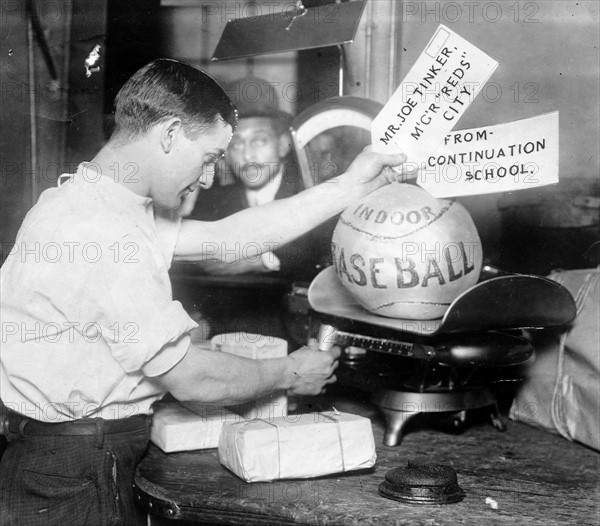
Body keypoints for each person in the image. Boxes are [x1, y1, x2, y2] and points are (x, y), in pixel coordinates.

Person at [0, 59, 406, 525]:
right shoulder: (99, 229)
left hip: (73, 458)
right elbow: (190, 376)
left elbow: (232, 235)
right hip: (78, 470)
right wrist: (290, 373)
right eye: (210, 157)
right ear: (171, 134)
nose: (212, 177)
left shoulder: (98, 201)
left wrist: (351, 184)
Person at [188, 76, 329, 282]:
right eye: (236, 144)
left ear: (282, 145)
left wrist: (260, 262)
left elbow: (317, 262)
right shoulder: (213, 199)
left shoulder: (308, 194)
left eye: (259, 141)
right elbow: (186, 257)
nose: (247, 156)